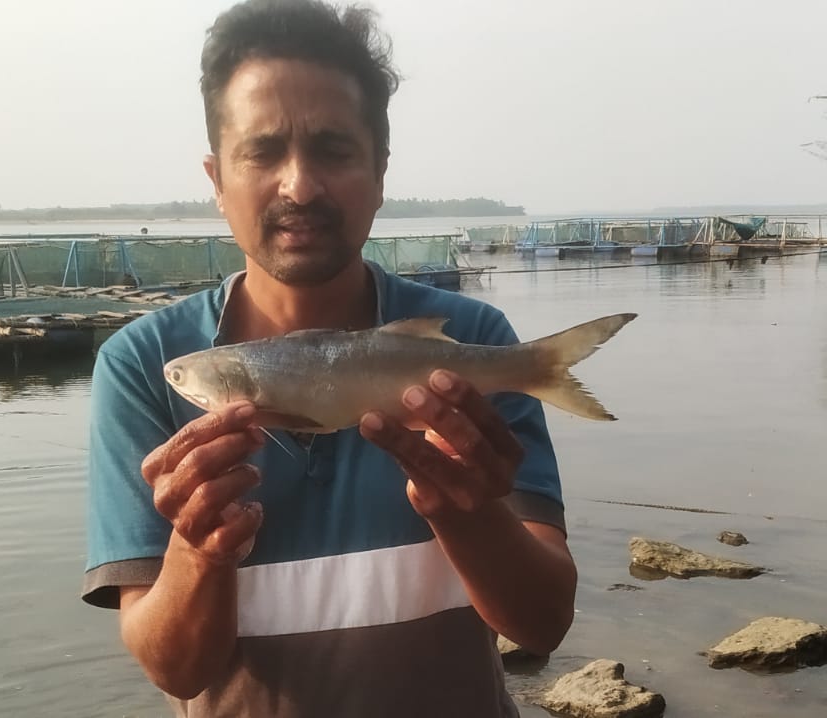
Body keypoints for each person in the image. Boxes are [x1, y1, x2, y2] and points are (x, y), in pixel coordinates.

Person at [81, 1, 577, 715]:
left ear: (379, 172)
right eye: (263, 151)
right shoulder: (143, 364)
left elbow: (542, 624)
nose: (301, 187)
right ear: (217, 178)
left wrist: (469, 511)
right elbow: (175, 670)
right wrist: (200, 547)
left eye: (334, 151)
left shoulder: (475, 340)